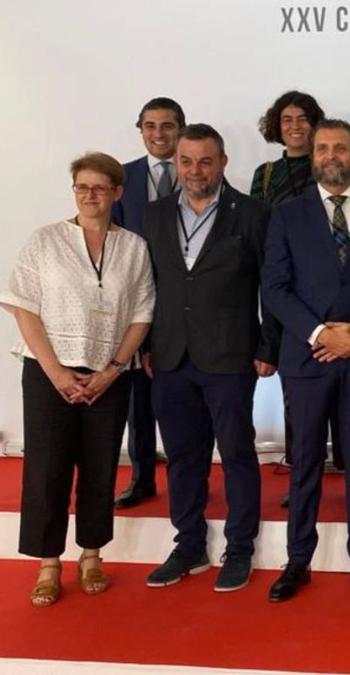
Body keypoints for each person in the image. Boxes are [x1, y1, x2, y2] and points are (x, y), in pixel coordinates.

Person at [1, 153, 154, 606]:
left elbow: (142, 313)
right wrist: (55, 372)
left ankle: (92, 555)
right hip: (49, 372)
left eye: (100, 188)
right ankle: (49, 563)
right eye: (81, 187)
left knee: (100, 466)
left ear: (117, 193)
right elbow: (22, 306)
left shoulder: (134, 247)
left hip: (109, 375)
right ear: (74, 191)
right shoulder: (45, 241)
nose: (90, 195)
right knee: (47, 469)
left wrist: (113, 369)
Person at [262, 119, 350, 603]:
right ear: (313, 156)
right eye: (323, 149)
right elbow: (274, 288)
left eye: (341, 148)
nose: (331, 156)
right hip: (308, 357)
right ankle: (298, 558)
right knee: (304, 464)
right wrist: (322, 333)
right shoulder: (286, 214)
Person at [140, 124, 280, 592]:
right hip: (169, 356)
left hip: (230, 355)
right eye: (186, 161)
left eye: (205, 161)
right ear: (175, 163)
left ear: (222, 163)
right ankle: (189, 545)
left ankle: (240, 548)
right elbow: (145, 286)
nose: (195, 171)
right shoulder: (154, 214)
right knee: (182, 456)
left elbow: (273, 287)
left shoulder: (253, 214)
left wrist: (268, 345)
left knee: (238, 454)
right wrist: (143, 345)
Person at [248, 90, 335, 508]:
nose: (295, 126)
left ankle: (338, 467)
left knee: (337, 391)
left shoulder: (331, 169)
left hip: (329, 296)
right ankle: (302, 474)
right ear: (276, 126)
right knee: (295, 397)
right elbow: (257, 242)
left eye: (303, 119)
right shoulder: (264, 176)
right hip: (283, 295)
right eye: (287, 120)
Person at [111, 96, 185, 509]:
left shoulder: (198, 171)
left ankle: (186, 477)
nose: (159, 134)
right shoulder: (121, 176)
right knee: (139, 401)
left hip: (187, 304)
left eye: (168, 126)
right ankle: (141, 477)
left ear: (180, 129)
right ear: (140, 129)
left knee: (184, 399)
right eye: (150, 126)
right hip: (136, 302)